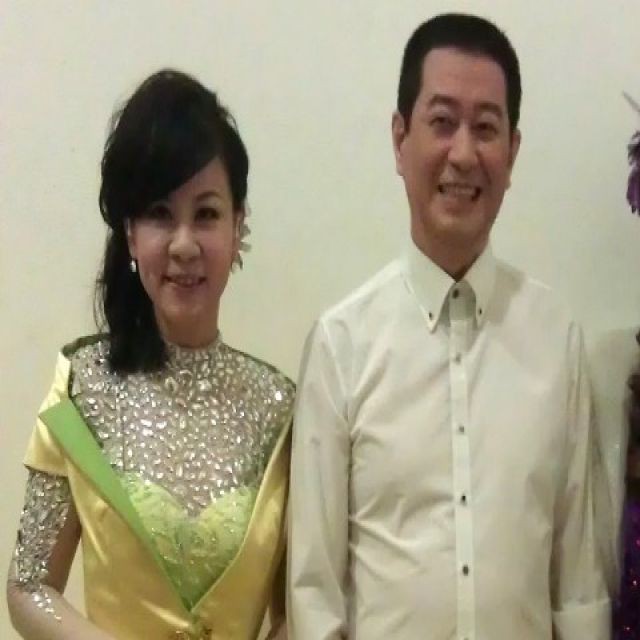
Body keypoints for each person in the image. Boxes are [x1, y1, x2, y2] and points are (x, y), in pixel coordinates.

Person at [287, 12, 610, 640]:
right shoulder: (342, 344)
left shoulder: (556, 338)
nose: (464, 154)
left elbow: (578, 584)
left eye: (485, 128)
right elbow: (314, 594)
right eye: (442, 122)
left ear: (512, 152)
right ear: (399, 139)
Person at [6, 69, 294, 640]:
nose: (184, 244)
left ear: (238, 226)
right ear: (131, 234)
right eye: (160, 214)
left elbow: (300, 608)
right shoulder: (80, 388)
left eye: (206, 214)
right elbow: (29, 584)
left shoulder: (281, 409)